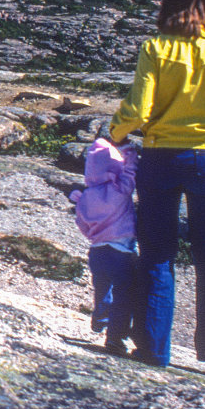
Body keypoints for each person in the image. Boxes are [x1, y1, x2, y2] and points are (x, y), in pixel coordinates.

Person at [109, 0, 205, 371]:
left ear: (168, 2)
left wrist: (114, 133)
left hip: (161, 157)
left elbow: (137, 110)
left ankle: (153, 348)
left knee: (157, 252)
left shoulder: (155, 47)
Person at [68, 137, 139, 355]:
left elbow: (82, 224)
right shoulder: (119, 188)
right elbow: (131, 174)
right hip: (121, 252)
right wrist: (130, 154)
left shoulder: (85, 197)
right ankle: (115, 338)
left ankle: (100, 318)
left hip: (97, 252)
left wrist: (94, 236)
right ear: (114, 167)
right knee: (124, 295)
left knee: (102, 288)